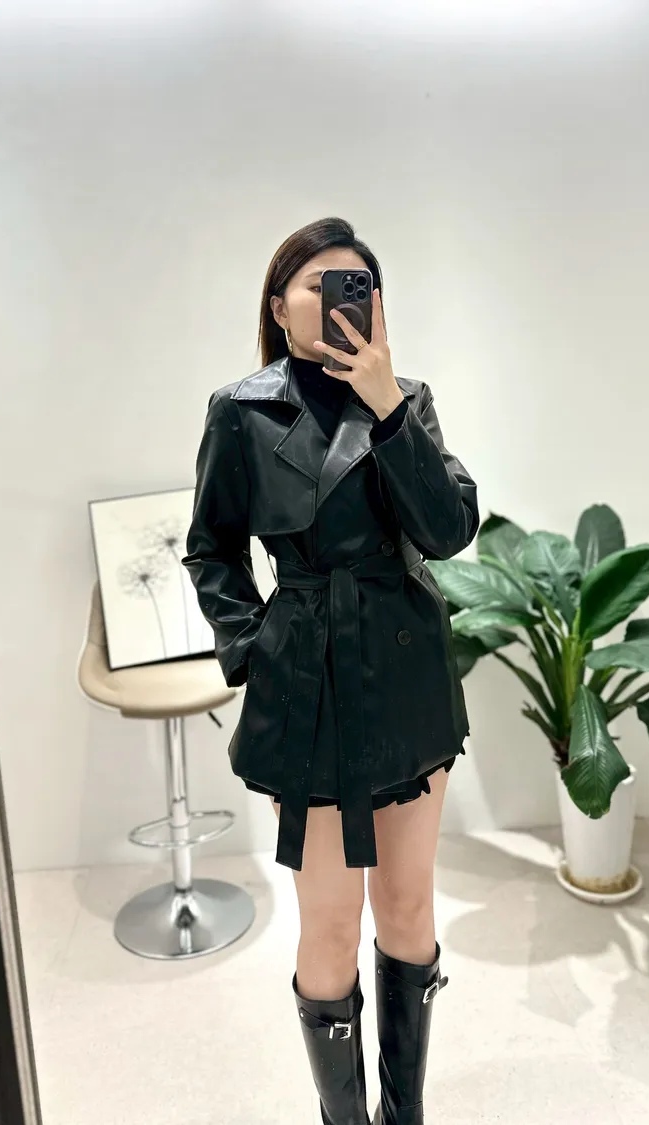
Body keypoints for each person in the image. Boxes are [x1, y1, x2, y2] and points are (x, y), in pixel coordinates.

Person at [182, 217, 480, 1125]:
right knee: (330, 923)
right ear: (279, 306)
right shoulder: (240, 410)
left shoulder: (409, 400)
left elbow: (448, 531)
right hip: (307, 685)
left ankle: (404, 1113)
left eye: (357, 285)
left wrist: (388, 407)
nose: (339, 298)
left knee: (409, 903)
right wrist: (255, 648)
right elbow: (212, 549)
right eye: (317, 283)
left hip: (406, 675)